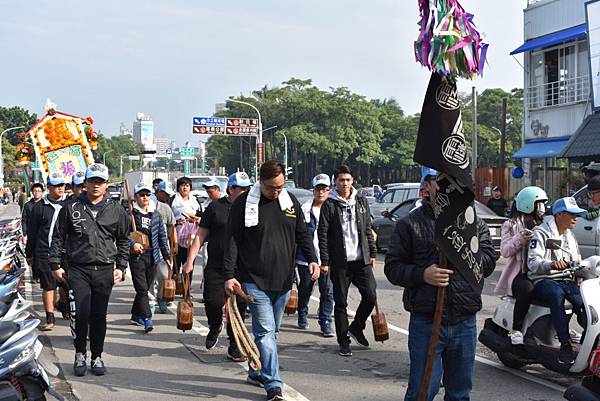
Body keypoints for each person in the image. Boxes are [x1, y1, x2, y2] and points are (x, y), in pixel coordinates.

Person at [384, 171, 496, 401]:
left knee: (459, 392)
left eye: (453, 181)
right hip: (426, 321)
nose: (448, 186)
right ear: (428, 185)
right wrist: (422, 274)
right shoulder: (409, 223)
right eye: (440, 181)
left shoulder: (472, 222)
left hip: (464, 321)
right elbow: (392, 268)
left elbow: (488, 261)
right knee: (423, 391)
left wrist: (464, 254)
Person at [224, 160, 319, 401]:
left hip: (284, 279)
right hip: (253, 280)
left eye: (280, 187)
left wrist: (313, 259)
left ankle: (258, 371)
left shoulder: (289, 203)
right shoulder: (244, 204)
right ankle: (274, 385)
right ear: (260, 181)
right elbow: (232, 241)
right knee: (265, 332)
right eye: (271, 188)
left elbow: (302, 234)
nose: (276, 192)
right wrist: (229, 275)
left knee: (272, 333)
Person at [49, 163, 130, 377]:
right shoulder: (71, 207)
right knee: (81, 314)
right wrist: (55, 265)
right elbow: (58, 237)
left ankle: (97, 356)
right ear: (85, 184)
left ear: (106, 185)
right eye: (92, 181)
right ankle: (79, 354)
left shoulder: (116, 209)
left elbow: (123, 240)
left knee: (99, 315)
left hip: (105, 269)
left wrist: (121, 267)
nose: (96, 186)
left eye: (100, 182)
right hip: (78, 269)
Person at [183, 172, 252, 361]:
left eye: (248, 188)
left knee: (238, 308)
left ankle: (234, 344)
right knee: (213, 303)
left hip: (241, 267)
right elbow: (200, 235)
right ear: (231, 189)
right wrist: (190, 261)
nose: (246, 192)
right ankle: (215, 326)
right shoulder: (215, 208)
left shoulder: (252, 209)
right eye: (242, 189)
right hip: (216, 265)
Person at [318, 165, 377, 356]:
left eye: (348, 180)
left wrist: (372, 253)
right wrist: (325, 261)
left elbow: (367, 228)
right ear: (335, 182)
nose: (345, 183)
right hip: (340, 262)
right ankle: (344, 341)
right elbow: (323, 234)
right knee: (341, 302)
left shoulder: (360, 200)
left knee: (370, 295)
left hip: (361, 260)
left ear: (353, 181)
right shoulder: (329, 204)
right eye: (341, 180)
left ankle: (357, 326)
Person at [527, 196, 587, 365]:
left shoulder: (570, 236)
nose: (576, 218)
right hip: (543, 279)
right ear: (560, 215)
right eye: (572, 214)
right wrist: (552, 264)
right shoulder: (541, 232)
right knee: (557, 294)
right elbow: (532, 263)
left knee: (584, 302)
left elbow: (577, 260)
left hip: (565, 280)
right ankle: (565, 343)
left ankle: (587, 343)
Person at [494, 186, 547, 345]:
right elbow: (505, 251)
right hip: (520, 274)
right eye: (539, 204)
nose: (542, 208)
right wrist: (520, 238)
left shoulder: (544, 224)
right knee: (527, 289)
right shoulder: (510, 225)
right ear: (528, 204)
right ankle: (516, 329)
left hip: (540, 270)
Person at [25, 173, 67, 330]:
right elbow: (33, 232)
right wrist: (29, 254)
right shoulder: (39, 208)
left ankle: (63, 304)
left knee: (65, 284)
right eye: (56, 186)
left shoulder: (69, 206)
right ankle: (50, 319)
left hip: (65, 253)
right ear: (48, 187)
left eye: (62, 185)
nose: (60, 188)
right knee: (48, 286)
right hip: (44, 252)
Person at [129, 182, 171, 332]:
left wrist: (167, 257)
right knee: (142, 290)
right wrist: (132, 244)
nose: (145, 197)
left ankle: (135, 315)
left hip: (153, 256)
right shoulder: (130, 214)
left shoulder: (156, 215)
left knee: (145, 287)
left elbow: (162, 237)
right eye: (141, 195)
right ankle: (147, 319)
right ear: (135, 197)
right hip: (137, 258)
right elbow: (122, 235)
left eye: (147, 194)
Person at [296, 174, 334, 337]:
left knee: (328, 292)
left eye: (324, 189)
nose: (321, 193)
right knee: (305, 289)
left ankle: (325, 322)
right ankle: (302, 312)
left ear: (329, 190)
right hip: (306, 260)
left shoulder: (333, 208)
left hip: (327, 259)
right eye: (318, 189)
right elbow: (299, 236)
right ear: (313, 190)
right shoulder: (304, 209)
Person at [153, 181, 178, 313]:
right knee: (150, 278)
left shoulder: (166, 208)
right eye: (166, 194)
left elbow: (171, 227)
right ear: (159, 193)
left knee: (164, 274)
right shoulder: (143, 206)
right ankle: (149, 303)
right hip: (148, 248)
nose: (168, 197)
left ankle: (161, 298)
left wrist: (174, 244)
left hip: (163, 246)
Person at [171, 176, 202, 283]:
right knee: (175, 264)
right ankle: (173, 288)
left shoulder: (195, 200)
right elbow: (168, 219)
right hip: (176, 237)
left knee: (189, 263)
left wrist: (195, 219)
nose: (185, 188)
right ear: (178, 187)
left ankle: (187, 291)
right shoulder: (173, 200)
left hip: (191, 237)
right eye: (182, 185)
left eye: (187, 185)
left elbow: (201, 216)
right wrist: (177, 221)